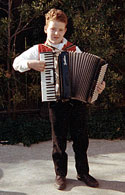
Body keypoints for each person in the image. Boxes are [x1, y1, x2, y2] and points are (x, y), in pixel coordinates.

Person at [13, 8, 106, 190]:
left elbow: (88, 74)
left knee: (81, 138)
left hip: (76, 101)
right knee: (59, 141)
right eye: (53, 29)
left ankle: (83, 172)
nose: (56, 33)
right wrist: (31, 64)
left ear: (65, 31)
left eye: (60, 30)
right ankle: (60, 175)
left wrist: (98, 87)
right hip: (55, 101)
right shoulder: (39, 50)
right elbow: (16, 63)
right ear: (46, 28)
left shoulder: (72, 49)